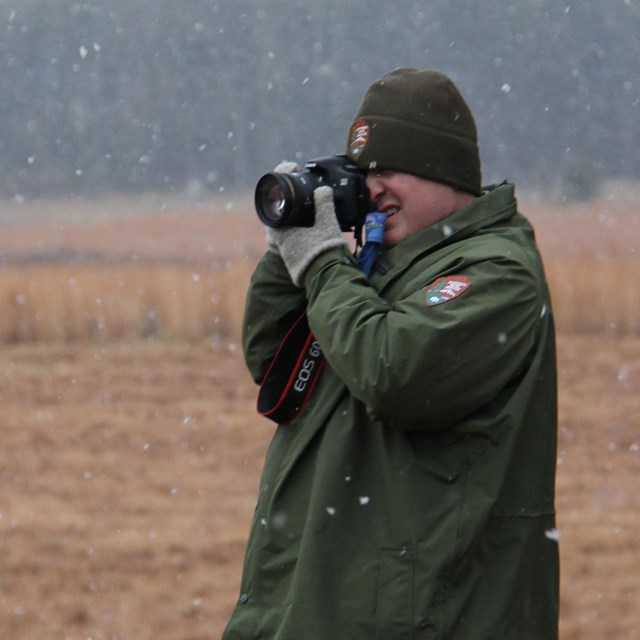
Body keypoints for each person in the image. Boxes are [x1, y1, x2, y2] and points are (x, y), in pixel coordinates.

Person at [222, 68, 559, 639]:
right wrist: (290, 252)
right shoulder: (377, 269)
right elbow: (272, 359)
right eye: (364, 171)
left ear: (443, 169)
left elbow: (394, 371)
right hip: (321, 602)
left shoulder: (498, 272)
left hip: (421, 614)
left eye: (389, 168)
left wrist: (325, 263)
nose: (373, 187)